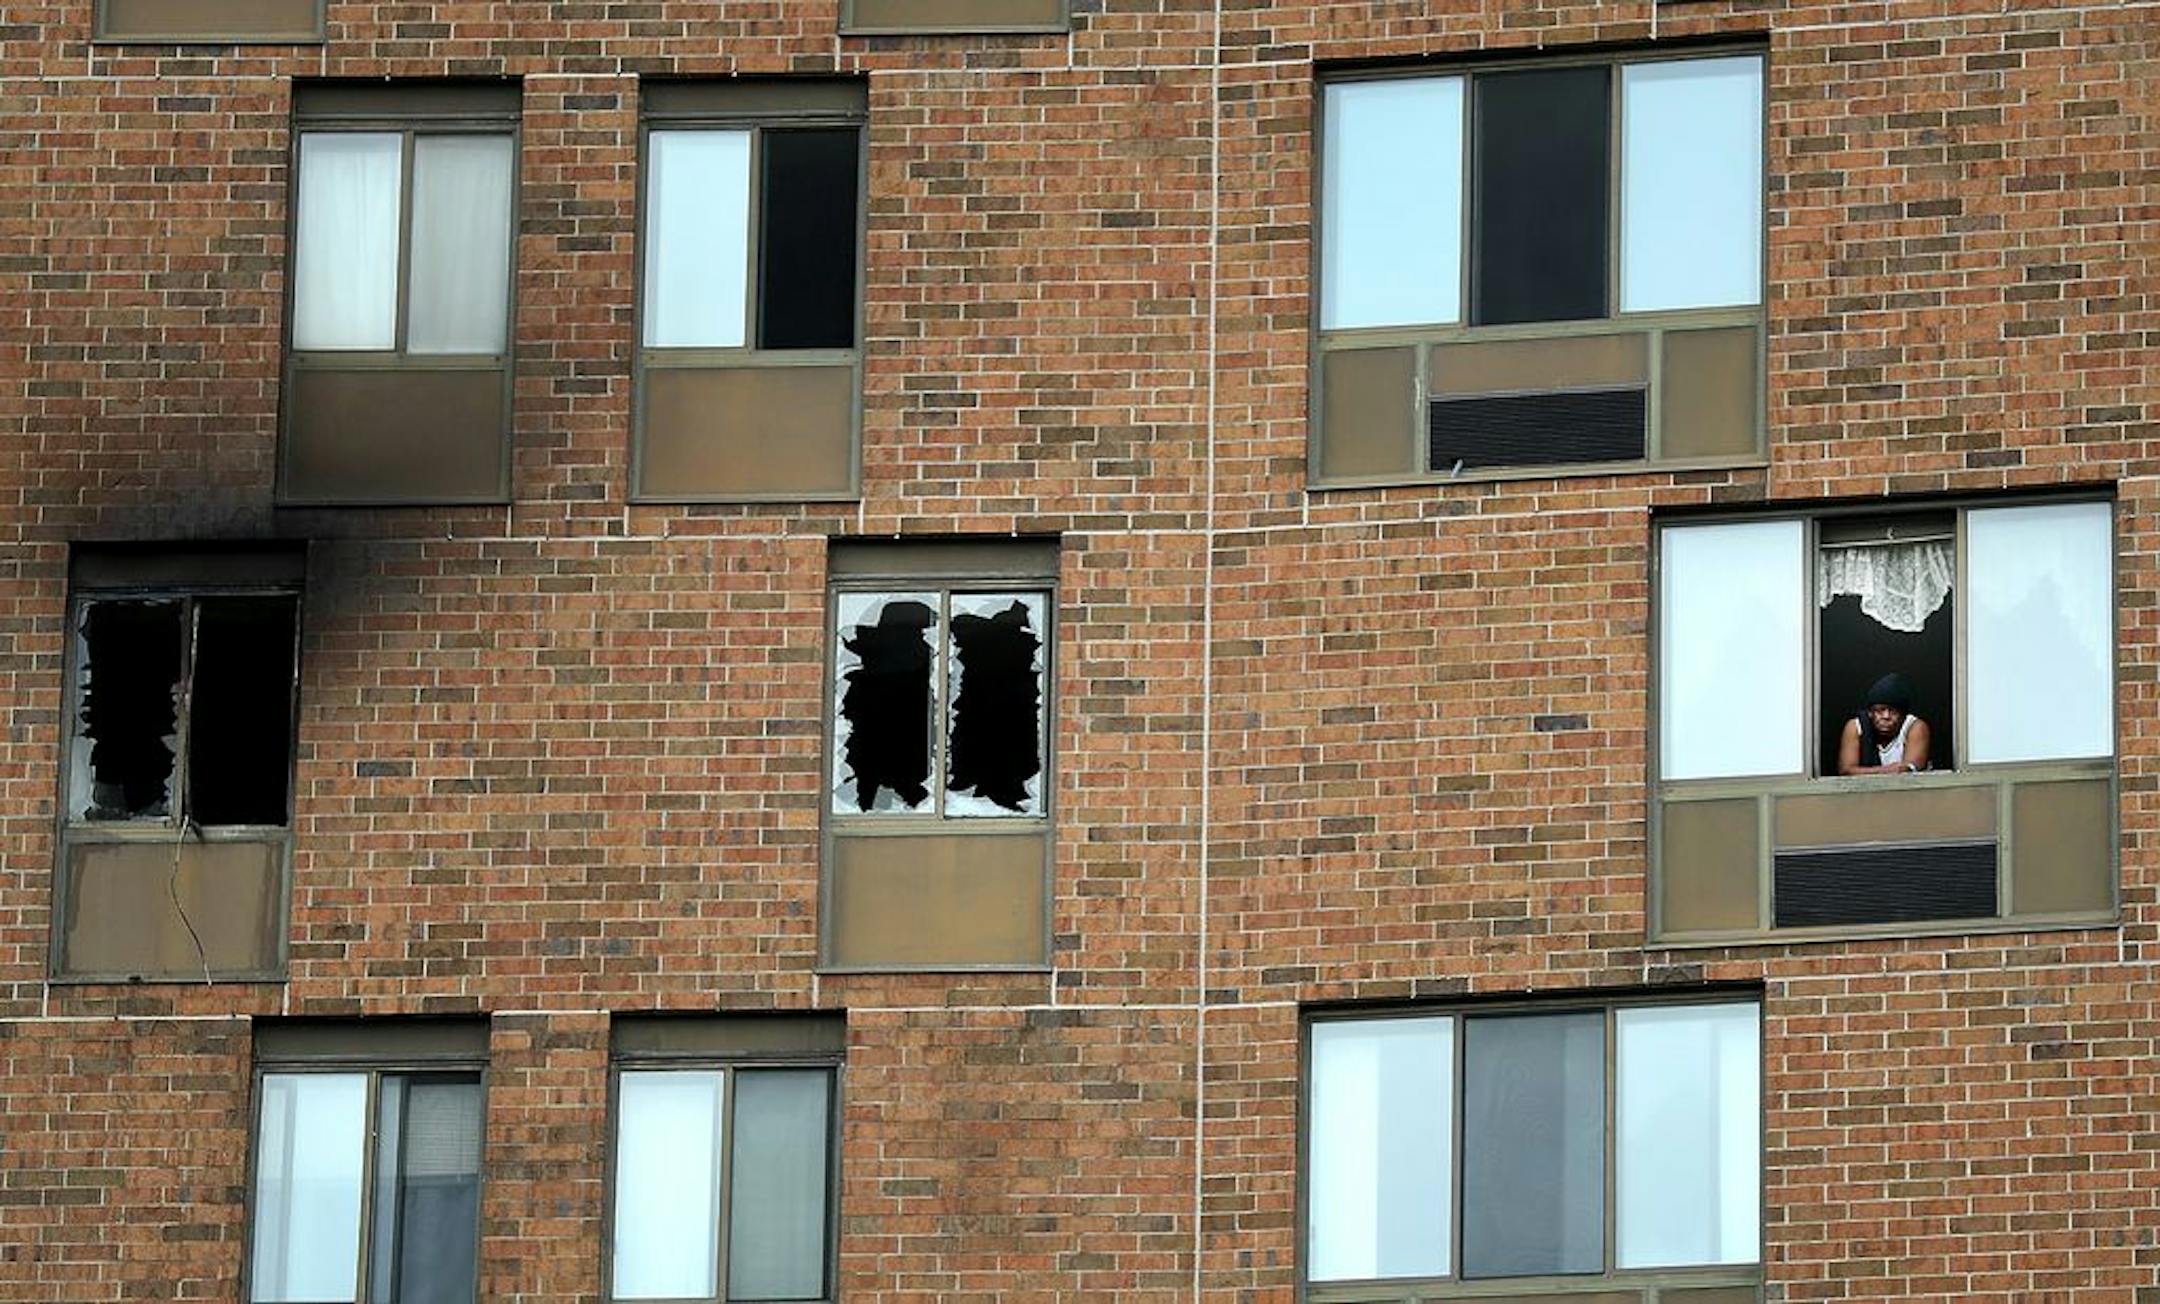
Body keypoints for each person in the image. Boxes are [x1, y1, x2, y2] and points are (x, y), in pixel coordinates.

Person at [1838, 672, 1932, 775]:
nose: (1886, 716)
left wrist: (1863, 771)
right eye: (1880, 710)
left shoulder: (1914, 727)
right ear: (1870, 713)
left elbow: (1908, 771)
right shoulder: (1856, 727)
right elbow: (1846, 771)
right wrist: (1888, 770)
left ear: (1903, 715)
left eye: (1893, 711)